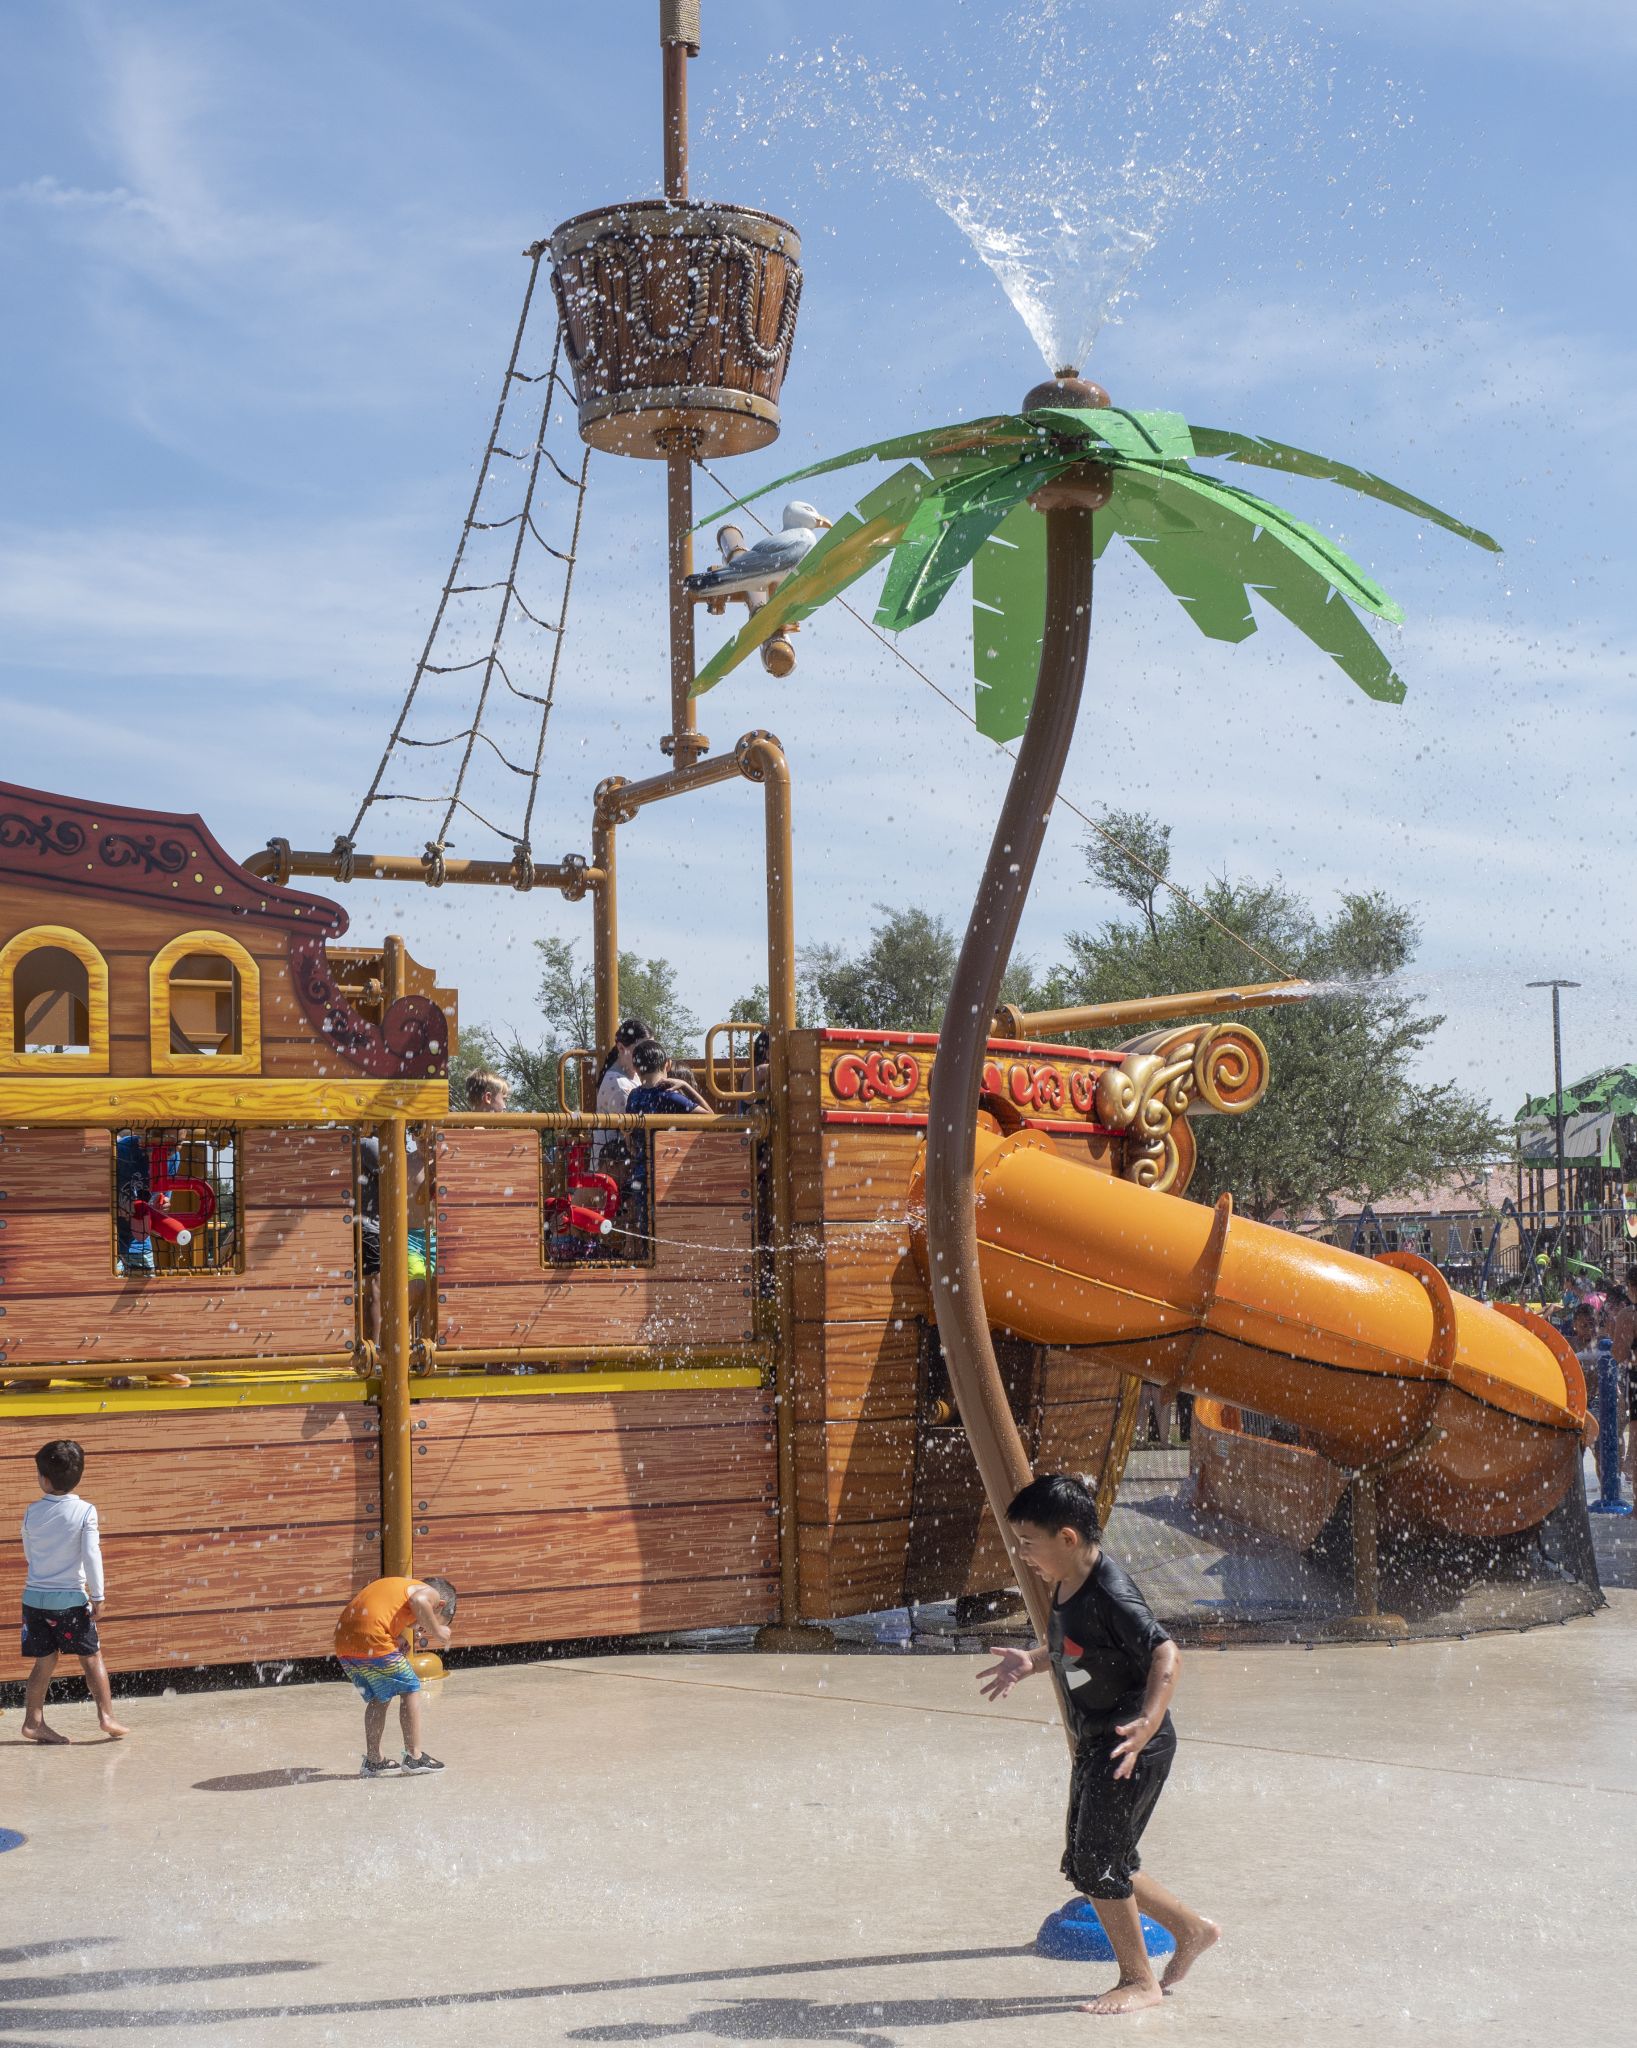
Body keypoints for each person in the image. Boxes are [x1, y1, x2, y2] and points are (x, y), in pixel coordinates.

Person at [978, 1473, 1218, 2015]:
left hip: (1132, 1743)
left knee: (1098, 1863)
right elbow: (1075, 1645)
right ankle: (1191, 1928)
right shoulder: (1068, 1583)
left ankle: (1139, 1980)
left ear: (1066, 1537)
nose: (1022, 1554)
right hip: (1100, 1741)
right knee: (1092, 1862)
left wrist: (1149, 1721)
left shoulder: (1112, 1592)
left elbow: (1168, 1654)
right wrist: (1034, 1661)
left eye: (1028, 1542)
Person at [20, 1439, 129, 1743]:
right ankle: (106, 1717)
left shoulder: (32, 1512)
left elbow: (30, 1553)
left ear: (43, 1478)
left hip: (33, 1600)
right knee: (91, 1657)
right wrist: (98, 1596)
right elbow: (92, 1555)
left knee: (44, 1661)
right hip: (69, 1601)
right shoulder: (84, 1512)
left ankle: (33, 1721)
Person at [332, 1573, 457, 1775]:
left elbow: (372, 1614)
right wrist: (438, 1630)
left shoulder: (398, 1587)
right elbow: (419, 1601)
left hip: (344, 1641)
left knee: (379, 1696)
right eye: (430, 1622)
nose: (423, 1629)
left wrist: (397, 1638)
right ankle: (415, 1756)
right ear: (439, 1605)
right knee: (410, 1688)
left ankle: (374, 1761)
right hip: (373, 1637)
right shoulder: (430, 1594)